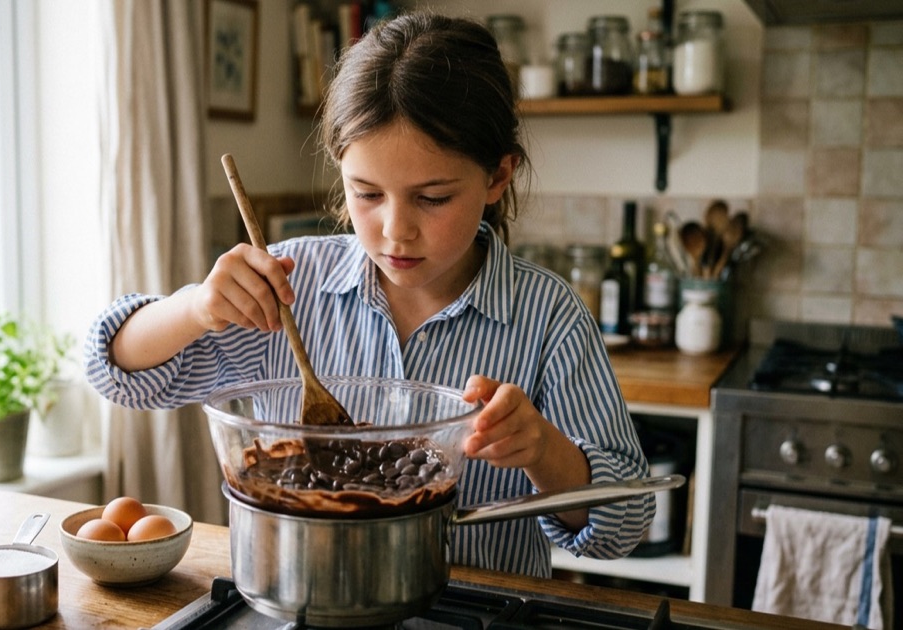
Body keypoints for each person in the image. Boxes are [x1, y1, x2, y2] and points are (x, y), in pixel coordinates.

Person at [86, 11, 652, 577]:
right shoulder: (291, 287)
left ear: (498, 177)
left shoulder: (548, 315)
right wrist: (194, 308)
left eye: (432, 198)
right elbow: (113, 371)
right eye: (367, 193)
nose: (395, 229)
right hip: (299, 599)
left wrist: (544, 451)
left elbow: (626, 524)